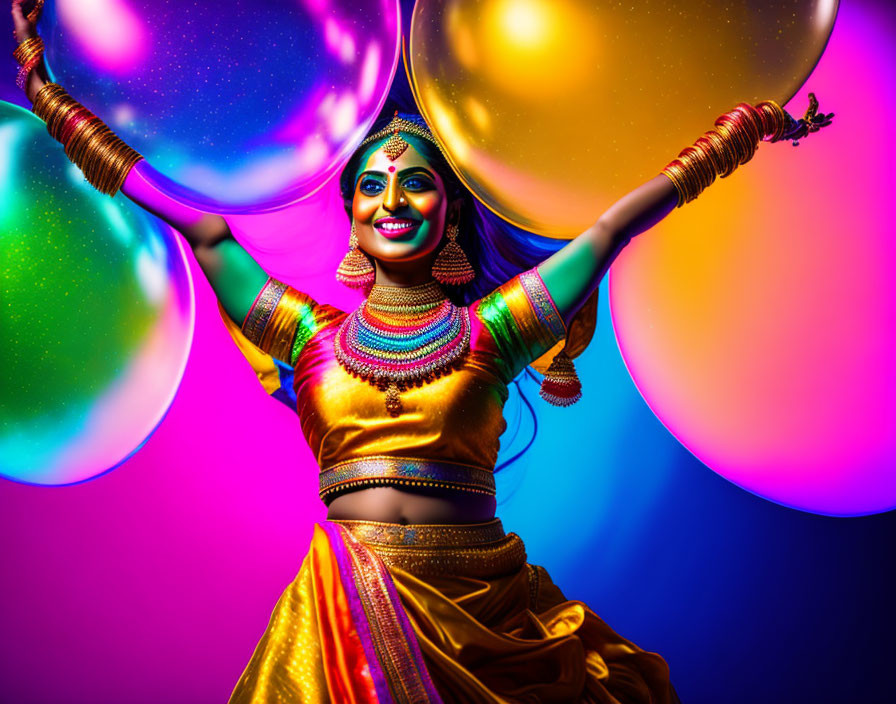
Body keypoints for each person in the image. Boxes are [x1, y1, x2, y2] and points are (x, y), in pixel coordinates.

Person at [11, 2, 832, 702]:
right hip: (341, 622)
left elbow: (611, 227)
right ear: (354, 216)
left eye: (415, 183)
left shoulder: (494, 331)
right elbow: (204, 226)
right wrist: (50, 102)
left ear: (447, 211)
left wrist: (739, 132)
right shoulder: (309, 337)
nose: (392, 199)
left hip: (488, 617)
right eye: (372, 184)